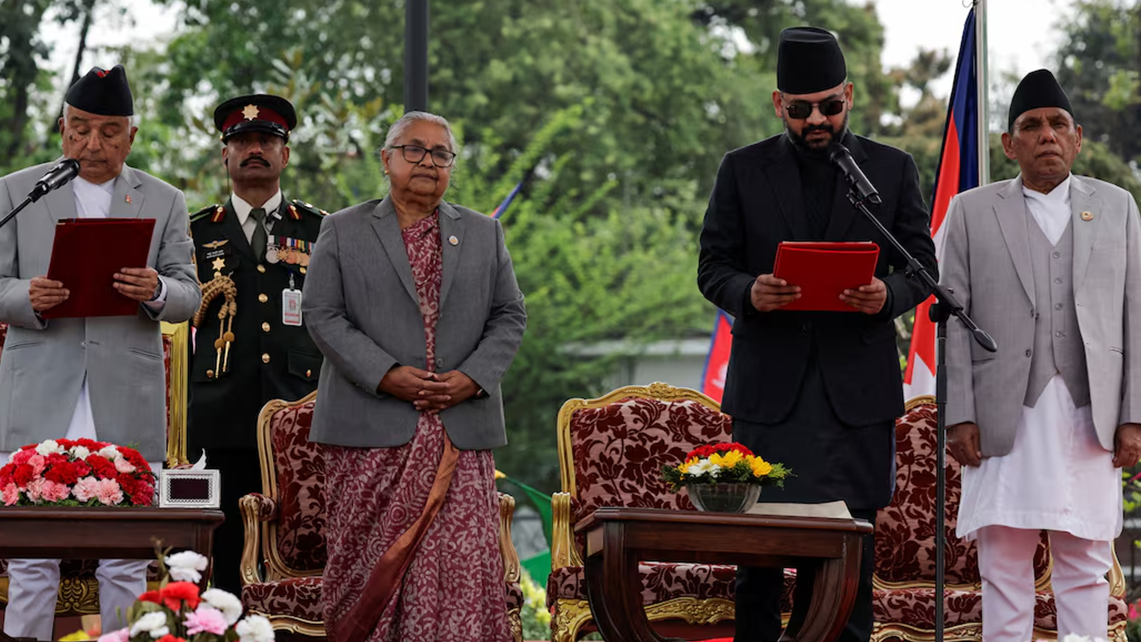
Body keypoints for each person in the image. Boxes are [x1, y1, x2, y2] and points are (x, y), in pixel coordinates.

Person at [697, 26, 937, 642]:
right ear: (780, 105)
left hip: (855, 401)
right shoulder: (742, 169)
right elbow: (713, 268)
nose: (817, 120)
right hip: (770, 402)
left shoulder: (889, 169)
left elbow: (922, 268)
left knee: (845, 564)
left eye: (830, 106)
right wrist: (750, 292)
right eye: (801, 110)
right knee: (759, 563)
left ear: (849, 96)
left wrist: (889, 296)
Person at [302, 111, 526, 642]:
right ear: (386, 160)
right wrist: (387, 375)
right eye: (413, 149)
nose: (428, 161)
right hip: (370, 434)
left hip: (459, 433)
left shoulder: (483, 233)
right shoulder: (342, 228)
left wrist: (472, 377)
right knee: (365, 581)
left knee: (462, 582)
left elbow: (510, 315)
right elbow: (322, 314)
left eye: (440, 153)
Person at [0, 65, 200, 638]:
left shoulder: (163, 199)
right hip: (39, 391)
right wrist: (25, 296)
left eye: (109, 131)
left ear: (131, 136)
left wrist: (157, 290)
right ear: (62, 129)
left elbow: (188, 292)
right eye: (80, 129)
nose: (93, 143)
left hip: (124, 398)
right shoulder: (18, 189)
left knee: (127, 560)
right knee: (33, 562)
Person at [942, 69, 1141, 641]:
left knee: (1085, 565)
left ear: (1077, 137)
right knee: (1003, 564)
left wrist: (1133, 416)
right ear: (1010, 144)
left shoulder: (1118, 206)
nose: (1046, 134)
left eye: (1057, 124)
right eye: (1031, 125)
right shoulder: (971, 211)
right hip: (1006, 416)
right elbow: (954, 319)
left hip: (1090, 414)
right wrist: (959, 414)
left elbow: (1135, 314)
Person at [187, 93, 326, 594]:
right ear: (224, 155)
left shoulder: (320, 230)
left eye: (266, 140)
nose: (254, 150)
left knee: (305, 556)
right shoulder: (195, 233)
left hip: (303, 418)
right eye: (241, 140)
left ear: (285, 154)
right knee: (220, 561)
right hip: (218, 415)